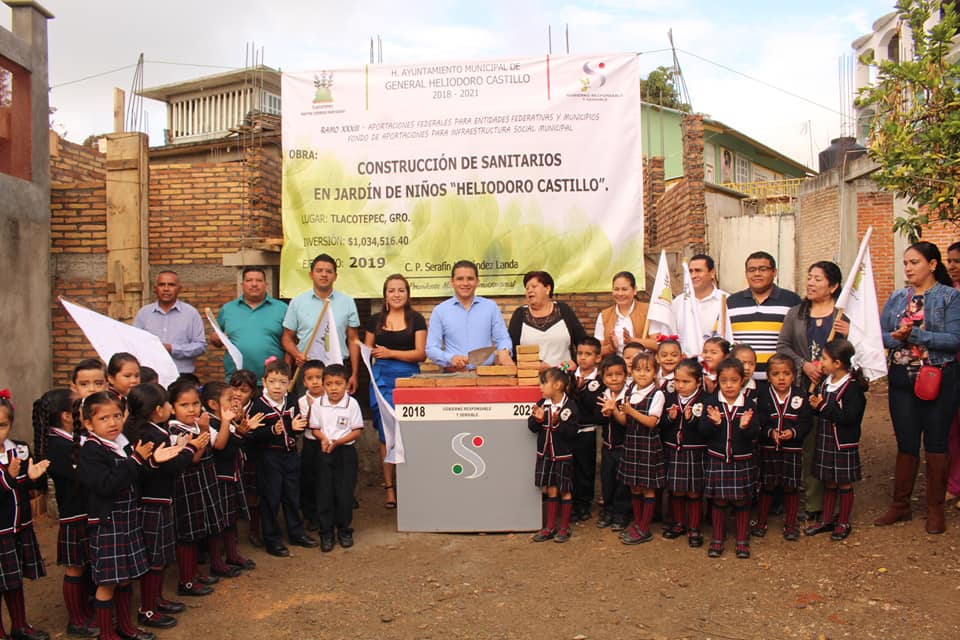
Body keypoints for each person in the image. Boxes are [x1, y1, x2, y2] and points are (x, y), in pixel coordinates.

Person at [78, 391, 182, 640]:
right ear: (88, 424)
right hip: (108, 524)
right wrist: (136, 460)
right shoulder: (91, 451)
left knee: (124, 579)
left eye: (117, 415)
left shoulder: (121, 443)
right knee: (107, 583)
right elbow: (106, 485)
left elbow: (136, 475)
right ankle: (106, 634)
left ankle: (126, 628)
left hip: (128, 520)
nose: (113, 422)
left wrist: (152, 462)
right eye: (104, 419)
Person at [876, 242, 960, 534]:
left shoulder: (949, 297)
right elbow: (880, 336)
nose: (909, 268)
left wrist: (919, 335)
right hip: (902, 380)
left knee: (936, 443)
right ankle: (901, 506)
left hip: (939, 378)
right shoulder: (898, 297)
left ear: (933, 265)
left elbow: (954, 339)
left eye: (915, 262)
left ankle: (935, 510)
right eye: (906, 263)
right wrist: (898, 337)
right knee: (906, 442)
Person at [776, 261, 849, 522]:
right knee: (808, 444)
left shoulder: (843, 316)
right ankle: (812, 502)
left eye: (818, 279)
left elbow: (856, 350)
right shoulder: (796, 313)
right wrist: (803, 365)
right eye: (809, 277)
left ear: (833, 286)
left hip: (835, 390)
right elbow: (783, 346)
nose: (810, 283)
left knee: (832, 443)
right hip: (804, 390)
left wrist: (849, 334)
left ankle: (836, 501)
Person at [123, 384, 199, 630]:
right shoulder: (154, 435)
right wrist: (190, 447)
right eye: (168, 404)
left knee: (160, 556)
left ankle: (156, 599)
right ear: (158, 410)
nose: (170, 408)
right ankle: (147, 609)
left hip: (153, 502)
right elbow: (171, 467)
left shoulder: (146, 430)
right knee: (155, 558)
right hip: (153, 505)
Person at [33, 389, 98, 637]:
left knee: (84, 563)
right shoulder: (57, 444)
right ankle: (77, 620)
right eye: (79, 407)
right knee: (74, 567)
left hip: (83, 510)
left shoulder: (69, 438)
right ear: (66, 416)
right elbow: (79, 474)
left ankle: (85, 608)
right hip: (73, 513)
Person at [364, 274, 426, 509]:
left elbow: (421, 354)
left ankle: (412, 484)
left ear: (408, 293)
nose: (397, 294)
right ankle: (389, 489)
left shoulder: (417, 319)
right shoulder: (374, 321)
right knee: (385, 433)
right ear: (385, 294)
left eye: (401, 290)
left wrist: (391, 353)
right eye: (392, 290)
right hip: (380, 380)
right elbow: (367, 351)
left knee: (407, 431)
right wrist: (373, 355)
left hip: (408, 379)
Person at [248, 359, 317, 556]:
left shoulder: (291, 400)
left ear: (288, 383)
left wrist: (296, 429)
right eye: (272, 381)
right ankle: (272, 539)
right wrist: (272, 430)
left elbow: (295, 428)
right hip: (269, 458)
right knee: (271, 498)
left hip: (290, 455)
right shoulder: (257, 406)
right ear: (264, 381)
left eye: (282, 382)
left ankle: (296, 532)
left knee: (292, 496)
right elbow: (252, 437)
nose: (277, 386)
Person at [166, 379, 228, 597]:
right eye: (184, 405)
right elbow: (192, 458)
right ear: (172, 407)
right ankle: (186, 580)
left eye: (194, 403)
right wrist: (201, 433)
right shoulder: (175, 430)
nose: (191, 409)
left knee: (201, 527)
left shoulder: (196, 424)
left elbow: (216, 444)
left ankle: (195, 572)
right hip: (187, 483)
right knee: (188, 533)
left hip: (204, 479)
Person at [804, 339, 867, 541]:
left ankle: (843, 522)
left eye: (824, 359)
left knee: (844, 483)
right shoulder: (826, 383)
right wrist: (814, 404)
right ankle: (827, 519)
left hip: (842, 443)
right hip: (825, 440)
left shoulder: (852, 387)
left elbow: (849, 418)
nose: (821, 363)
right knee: (828, 481)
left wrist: (822, 406)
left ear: (838, 363)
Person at [698, 358, 761, 559]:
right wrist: (714, 423)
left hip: (742, 460)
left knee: (742, 501)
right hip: (718, 459)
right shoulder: (711, 403)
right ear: (718, 381)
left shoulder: (749, 404)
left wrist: (745, 427)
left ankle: (742, 540)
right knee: (719, 500)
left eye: (734, 380)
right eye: (724, 381)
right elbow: (702, 431)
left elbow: (755, 433)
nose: (729, 385)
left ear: (742, 380)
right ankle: (717, 538)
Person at [0, 391, 50, 640]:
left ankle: (20, 625)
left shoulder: (18, 449)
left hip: (19, 527)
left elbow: (27, 487)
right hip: (0, 531)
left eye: (1, 425)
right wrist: (8, 477)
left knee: (14, 579)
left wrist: (33, 478)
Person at [752, 355, 812, 541]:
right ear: (768, 377)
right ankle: (761, 522)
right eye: (776, 374)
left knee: (791, 487)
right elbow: (759, 421)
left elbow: (805, 422)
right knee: (767, 485)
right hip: (769, 449)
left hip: (792, 450)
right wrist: (770, 432)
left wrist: (793, 433)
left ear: (793, 376)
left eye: (786, 373)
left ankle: (791, 525)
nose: (781, 378)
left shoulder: (801, 395)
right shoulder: (762, 396)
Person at [283, 254, 361, 393]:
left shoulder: (347, 302)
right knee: (308, 412)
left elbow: (353, 340)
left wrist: (354, 374)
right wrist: (296, 354)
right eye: (319, 271)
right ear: (311, 275)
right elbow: (287, 337)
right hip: (308, 369)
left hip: (338, 368)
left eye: (329, 271)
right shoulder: (297, 302)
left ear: (335, 276)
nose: (324, 275)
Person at [311, 364, 365, 553]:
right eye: (329, 384)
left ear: (346, 384)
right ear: (323, 385)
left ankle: (344, 530)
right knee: (324, 493)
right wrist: (324, 439)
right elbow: (315, 428)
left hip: (345, 453)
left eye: (338, 383)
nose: (334, 388)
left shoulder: (352, 404)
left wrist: (339, 441)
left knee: (344, 493)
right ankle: (326, 533)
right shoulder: (318, 403)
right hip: (325, 451)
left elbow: (356, 431)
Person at [615, 351, 666, 545]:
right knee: (634, 486)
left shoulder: (657, 394)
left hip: (648, 446)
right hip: (632, 445)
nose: (642, 374)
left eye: (647, 370)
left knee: (647, 488)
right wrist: (614, 410)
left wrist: (630, 411)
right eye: (637, 370)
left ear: (655, 373)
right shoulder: (630, 391)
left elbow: (652, 422)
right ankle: (637, 523)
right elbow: (624, 421)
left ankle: (645, 527)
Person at [425, 260, 514, 370]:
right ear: (452, 282)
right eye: (460, 279)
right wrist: (450, 358)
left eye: (470, 279)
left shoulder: (490, 307)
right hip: (453, 376)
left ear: (477, 281)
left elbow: (502, 339)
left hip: (485, 375)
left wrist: (504, 352)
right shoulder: (440, 311)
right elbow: (431, 348)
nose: (465, 283)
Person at [727, 252, 801, 380]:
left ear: (774, 272)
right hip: (740, 382)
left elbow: (799, 340)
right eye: (751, 270)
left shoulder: (791, 300)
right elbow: (723, 338)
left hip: (778, 381)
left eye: (762, 269)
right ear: (746, 273)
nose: (757, 274)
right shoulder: (731, 302)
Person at [660, 358, 707, 547]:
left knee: (694, 492)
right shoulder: (669, 398)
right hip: (673, 450)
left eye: (686, 382)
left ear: (698, 382)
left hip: (694, 452)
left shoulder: (705, 400)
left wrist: (692, 420)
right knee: (676, 490)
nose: (680, 385)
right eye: (677, 381)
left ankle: (694, 527)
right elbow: (660, 426)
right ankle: (678, 523)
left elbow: (707, 430)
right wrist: (669, 419)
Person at [528, 368, 579, 543]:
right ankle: (549, 527)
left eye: (543, 383)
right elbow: (531, 426)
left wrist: (557, 424)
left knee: (564, 491)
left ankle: (564, 527)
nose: (540, 387)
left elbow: (572, 433)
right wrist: (539, 420)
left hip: (562, 456)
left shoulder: (569, 407)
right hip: (546, 455)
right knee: (550, 490)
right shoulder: (543, 403)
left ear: (557, 385)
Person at [212, 267, 288, 381]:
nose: (254, 284)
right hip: (237, 380)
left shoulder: (282, 308)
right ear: (242, 284)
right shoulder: (228, 309)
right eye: (249, 280)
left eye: (259, 280)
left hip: (272, 380)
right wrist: (215, 339)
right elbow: (217, 339)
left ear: (266, 284)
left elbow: (291, 341)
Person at [508, 271, 587, 370]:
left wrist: (573, 362)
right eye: (527, 288)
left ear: (547, 289)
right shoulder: (520, 314)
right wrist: (532, 365)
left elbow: (584, 343)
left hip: (563, 376)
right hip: (531, 378)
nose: (529, 290)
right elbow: (512, 351)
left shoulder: (563, 310)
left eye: (534, 286)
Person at [134, 271, 206, 375]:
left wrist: (173, 348)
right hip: (151, 374)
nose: (166, 289)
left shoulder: (191, 313)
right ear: (155, 289)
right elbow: (135, 342)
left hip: (181, 374)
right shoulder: (144, 313)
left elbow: (200, 346)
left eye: (171, 285)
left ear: (179, 289)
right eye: (162, 284)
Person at [595, 355, 632, 530]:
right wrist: (605, 414)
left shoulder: (630, 395)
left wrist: (614, 411)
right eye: (610, 375)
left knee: (623, 483)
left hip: (625, 448)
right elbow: (597, 419)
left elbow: (626, 423)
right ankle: (608, 511)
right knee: (607, 480)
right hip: (607, 447)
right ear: (603, 378)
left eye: (619, 374)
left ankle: (621, 514)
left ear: (626, 375)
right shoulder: (602, 395)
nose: (614, 378)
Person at [571, 337, 605, 522]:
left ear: (598, 358)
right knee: (570, 469)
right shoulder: (568, 376)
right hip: (568, 432)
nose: (582, 358)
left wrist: (580, 392)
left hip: (587, 431)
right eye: (580, 353)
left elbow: (595, 408)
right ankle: (571, 504)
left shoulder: (599, 382)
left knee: (586, 469)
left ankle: (584, 505)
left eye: (588, 354)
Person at [594, 271, 656, 357]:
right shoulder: (604, 315)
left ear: (634, 290)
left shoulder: (648, 311)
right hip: (615, 366)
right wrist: (611, 347)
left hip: (642, 366)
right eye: (616, 289)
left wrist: (632, 340)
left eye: (624, 289)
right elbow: (596, 351)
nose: (620, 293)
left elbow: (657, 344)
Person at [671, 255, 731, 344]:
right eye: (690, 271)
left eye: (698, 271)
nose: (693, 275)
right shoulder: (678, 303)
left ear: (712, 273)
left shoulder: (726, 300)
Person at [298, 360, 326, 530]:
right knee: (309, 479)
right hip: (310, 443)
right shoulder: (301, 401)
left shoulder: (330, 397)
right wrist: (311, 410)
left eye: (319, 377)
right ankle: (311, 515)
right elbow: (304, 424)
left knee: (325, 480)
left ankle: (327, 513)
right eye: (310, 378)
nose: (315, 382)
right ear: (304, 381)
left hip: (327, 443)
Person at [945, 241, 960, 508]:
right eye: (949, 260)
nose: (952, 266)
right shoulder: (947, 294)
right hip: (950, 368)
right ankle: (954, 484)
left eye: (956, 261)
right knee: (952, 427)